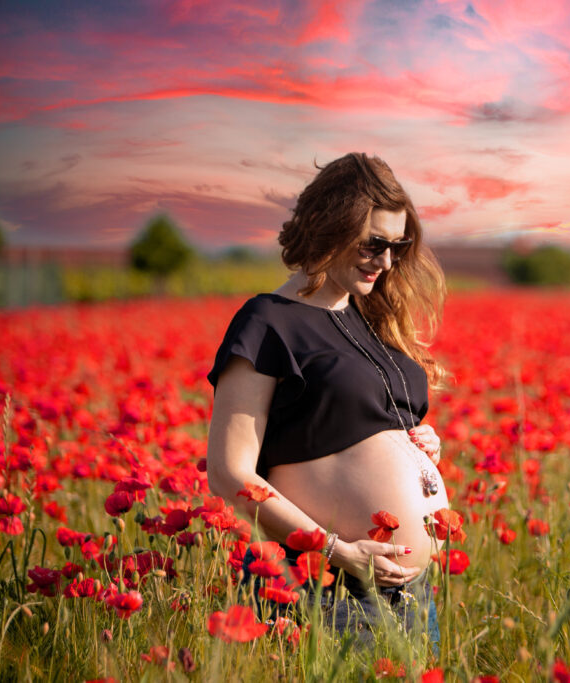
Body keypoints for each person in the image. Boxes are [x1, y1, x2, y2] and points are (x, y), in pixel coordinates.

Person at [205, 153, 448, 651]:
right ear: (329, 227)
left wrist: (421, 448)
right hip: (323, 589)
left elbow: (359, 427)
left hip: (411, 595)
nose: (385, 261)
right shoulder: (269, 322)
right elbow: (230, 475)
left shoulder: (371, 318)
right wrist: (338, 551)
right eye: (373, 244)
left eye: (397, 247)